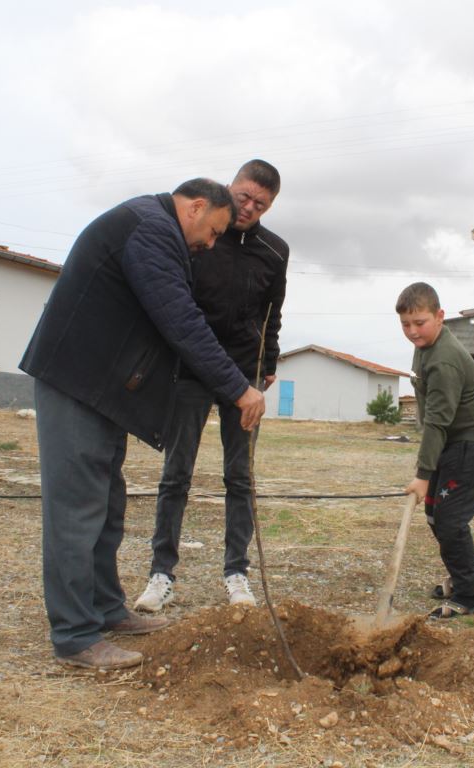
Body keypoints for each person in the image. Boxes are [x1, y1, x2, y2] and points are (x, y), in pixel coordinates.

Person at [19, 179, 266, 671]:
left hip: (100, 388)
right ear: (196, 207)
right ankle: (74, 635)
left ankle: (107, 607)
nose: (210, 244)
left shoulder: (153, 229)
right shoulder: (150, 232)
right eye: (214, 231)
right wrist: (239, 388)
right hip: (75, 380)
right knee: (77, 508)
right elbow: (180, 321)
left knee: (107, 501)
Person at [135, 160, 289, 612]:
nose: (248, 207)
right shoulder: (200, 232)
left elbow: (272, 314)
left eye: (260, 204)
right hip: (192, 371)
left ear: (270, 206)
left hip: (245, 377)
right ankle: (161, 573)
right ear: (232, 185)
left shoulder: (275, 251)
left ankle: (236, 573)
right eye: (243, 196)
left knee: (239, 476)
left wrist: (270, 363)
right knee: (175, 474)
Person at [398, 282, 474, 618]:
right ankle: (462, 578)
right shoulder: (426, 345)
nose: (413, 332)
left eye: (420, 323)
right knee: (435, 514)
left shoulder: (444, 360)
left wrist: (423, 475)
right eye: (406, 324)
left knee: (450, 519)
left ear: (440, 316)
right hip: (454, 441)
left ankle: (470, 595)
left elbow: (437, 423)